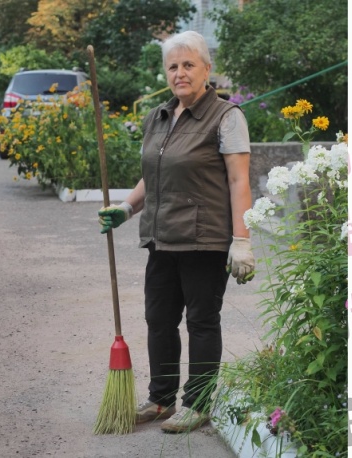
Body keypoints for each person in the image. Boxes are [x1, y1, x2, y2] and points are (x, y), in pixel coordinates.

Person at [97, 30, 255, 434]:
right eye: (173, 66)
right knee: (159, 319)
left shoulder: (226, 116)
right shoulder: (160, 116)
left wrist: (242, 240)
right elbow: (153, 175)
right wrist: (126, 208)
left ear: (206, 69)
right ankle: (161, 399)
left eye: (188, 65)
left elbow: (239, 181)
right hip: (162, 236)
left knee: (202, 320)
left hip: (204, 239)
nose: (180, 73)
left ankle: (197, 403)